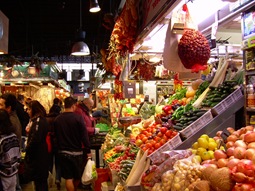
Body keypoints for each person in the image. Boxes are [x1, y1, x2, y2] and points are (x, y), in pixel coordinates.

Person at [53, 97, 92, 191]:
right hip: (77, 152)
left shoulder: (57, 119)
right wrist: (88, 150)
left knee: (68, 177)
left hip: (63, 152)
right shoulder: (78, 118)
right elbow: (84, 136)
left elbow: (55, 137)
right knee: (77, 176)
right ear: (73, 106)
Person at [24, 100, 49, 191]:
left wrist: (27, 148)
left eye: (29, 109)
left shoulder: (38, 121)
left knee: (40, 182)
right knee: (40, 181)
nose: (27, 111)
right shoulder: (39, 120)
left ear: (34, 109)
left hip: (38, 155)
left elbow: (35, 139)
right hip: (41, 153)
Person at [0, 93, 23, 191]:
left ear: (8, 108)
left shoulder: (9, 123)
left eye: (1, 105)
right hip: (12, 171)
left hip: (6, 173)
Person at [46, 98, 62, 190]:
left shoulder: (46, 119)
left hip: (48, 144)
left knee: (49, 162)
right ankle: (58, 179)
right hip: (58, 143)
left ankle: (49, 179)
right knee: (58, 162)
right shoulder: (60, 119)